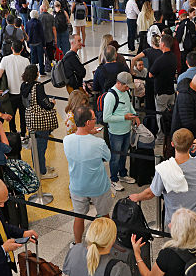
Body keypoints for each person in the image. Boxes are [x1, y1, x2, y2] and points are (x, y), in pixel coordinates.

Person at [129, 128, 196, 226]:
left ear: (172, 144)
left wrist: (137, 197)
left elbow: (150, 193)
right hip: (195, 219)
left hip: (173, 221)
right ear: (191, 145)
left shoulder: (164, 169)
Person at [64, 106, 112, 245]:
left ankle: (77, 244)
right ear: (87, 123)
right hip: (98, 186)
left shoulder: (67, 140)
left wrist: (87, 133)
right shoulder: (98, 143)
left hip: (77, 186)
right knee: (104, 215)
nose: (95, 121)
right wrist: (92, 135)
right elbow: (107, 157)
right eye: (93, 119)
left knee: (79, 217)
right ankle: (105, 242)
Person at [103, 72, 139, 191]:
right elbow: (106, 118)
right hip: (115, 133)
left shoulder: (127, 92)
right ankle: (114, 179)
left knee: (124, 154)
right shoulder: (110, 96)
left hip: (126, 130)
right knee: (115, 157)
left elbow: (129, 106)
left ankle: (123, 174)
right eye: (126, 86)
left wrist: (134, 115)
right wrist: (124, 117)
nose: (128, 88)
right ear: (118, 83)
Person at [21, 65, 57, 179]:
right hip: (40, 120)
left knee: (35, 145)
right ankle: (42, 172)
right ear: (36, 74)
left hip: (30, 117)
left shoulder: (23, 86)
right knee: (41, 146)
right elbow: (44, 103)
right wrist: (52, 104)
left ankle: (39, 166)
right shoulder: (38, 86)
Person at [0, 40, 30, 135]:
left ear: (11, 48)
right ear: (22, 49)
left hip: (10, 93)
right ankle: (23, 133)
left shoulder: (5, 59)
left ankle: (13, 132)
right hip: (23, 93)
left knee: (11, 114)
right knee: (23, 115)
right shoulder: (26, 61)